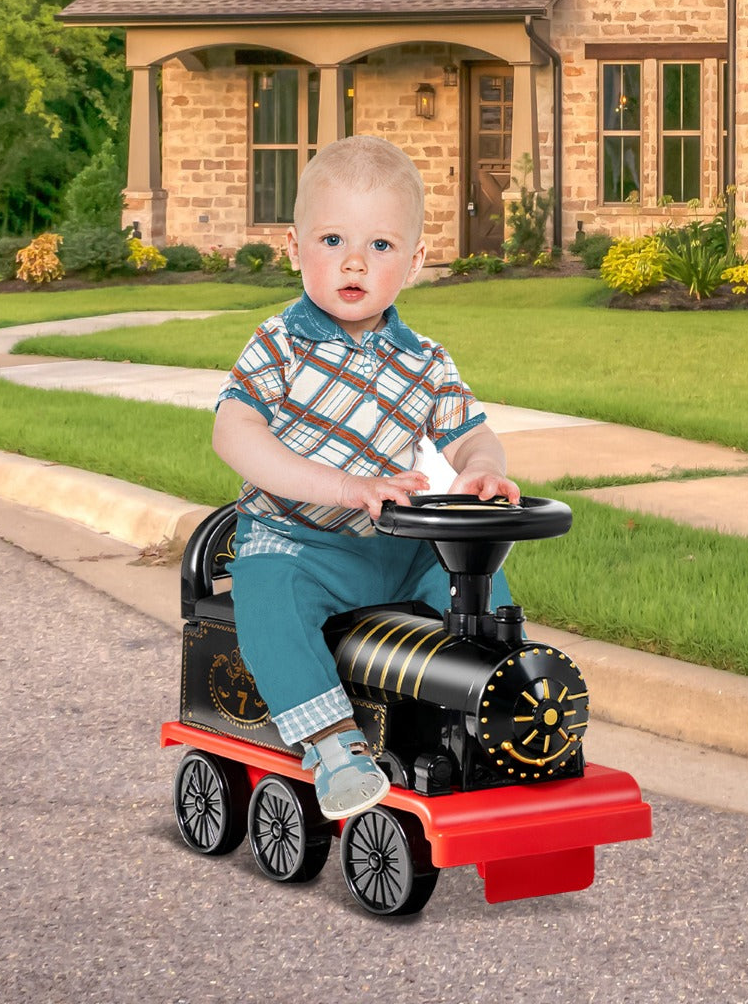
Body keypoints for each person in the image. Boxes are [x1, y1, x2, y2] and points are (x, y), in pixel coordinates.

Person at [212, 135, 520, 821]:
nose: (354, 261)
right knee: (265, 591)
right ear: (294, 249)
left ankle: (500, 713)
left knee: (471, 572)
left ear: (412, 262)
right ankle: (332, 748)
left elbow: (470, 433)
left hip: (395, 546)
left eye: (380, 246)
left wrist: (482, 471)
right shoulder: (279, 344)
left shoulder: (425, 360)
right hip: (299, 544)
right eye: (332, 240)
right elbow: (233, 433)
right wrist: (342, 487)